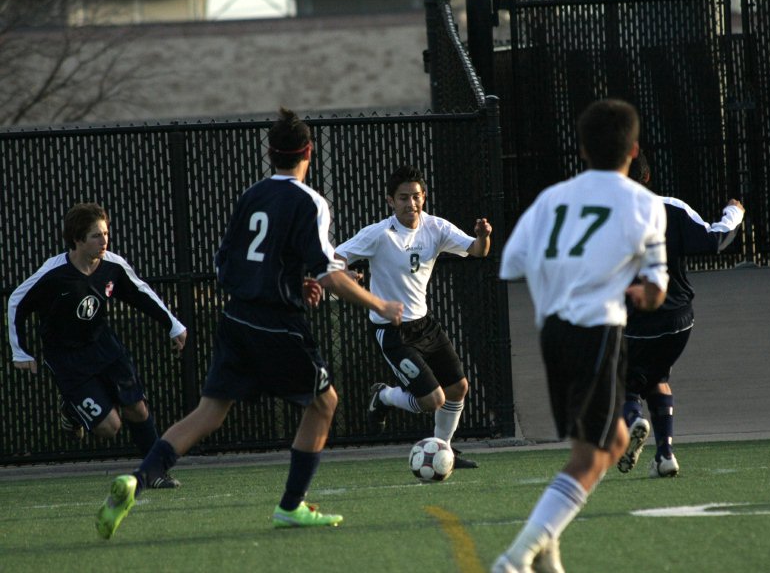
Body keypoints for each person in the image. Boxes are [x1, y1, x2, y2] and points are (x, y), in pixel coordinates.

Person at [95, 107, 404, 540]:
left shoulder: (251, 195)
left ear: (271, 152)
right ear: (308, 152)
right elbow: (331, 274)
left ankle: (138, 480)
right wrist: (380, 303)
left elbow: (227, 265)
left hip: (236, 317)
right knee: (324, 403)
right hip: (277, 325)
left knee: (208, 413)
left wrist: (294, 282)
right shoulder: (309, 201)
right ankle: (291, 506)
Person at [493, 98, 669, 573]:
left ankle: (548, 542)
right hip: (597, 333)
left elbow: (512, 264)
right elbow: (655, 292)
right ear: (633, 151)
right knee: (590, 457)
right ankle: (514, 559)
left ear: (583, 150)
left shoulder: (552, 199)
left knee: (611, 441)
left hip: (553, 333)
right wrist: (633, 289)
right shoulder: (647, 204)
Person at [7, 202, 187, 489]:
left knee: (137, 410)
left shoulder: (112, 265)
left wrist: (173, 325)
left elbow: (141, 292)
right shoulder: (53, 274)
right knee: (109, 428)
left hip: (104, 347)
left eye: (105, 233)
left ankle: (155, 473)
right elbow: (16, 300)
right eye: (95, 236)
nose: (104, 241)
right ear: (77, 240)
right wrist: (21, 351)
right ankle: (71, 410)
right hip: (67, 356)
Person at [334, 164, 491, 469]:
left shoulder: (436, 227)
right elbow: (337, 256)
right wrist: (345, 274)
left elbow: (478, 251)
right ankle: (385, 397)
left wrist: (483, 236)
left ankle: (443, 450)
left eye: (416, 196)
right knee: (433, 400)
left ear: (424, 197)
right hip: (392, 331)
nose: (411, 204)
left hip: (425, 324)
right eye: (403, 198)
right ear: (390, 201)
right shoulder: (379, 234)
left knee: (458, 387)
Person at [617, 151, 744, 478]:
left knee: (622, 383)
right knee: (658, 378)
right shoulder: (672, 207)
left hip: (635, 321)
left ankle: (634, 420)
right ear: (646, 177)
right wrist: (734, 211)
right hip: (678, 320)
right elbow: (714, 240)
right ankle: (665, 455)